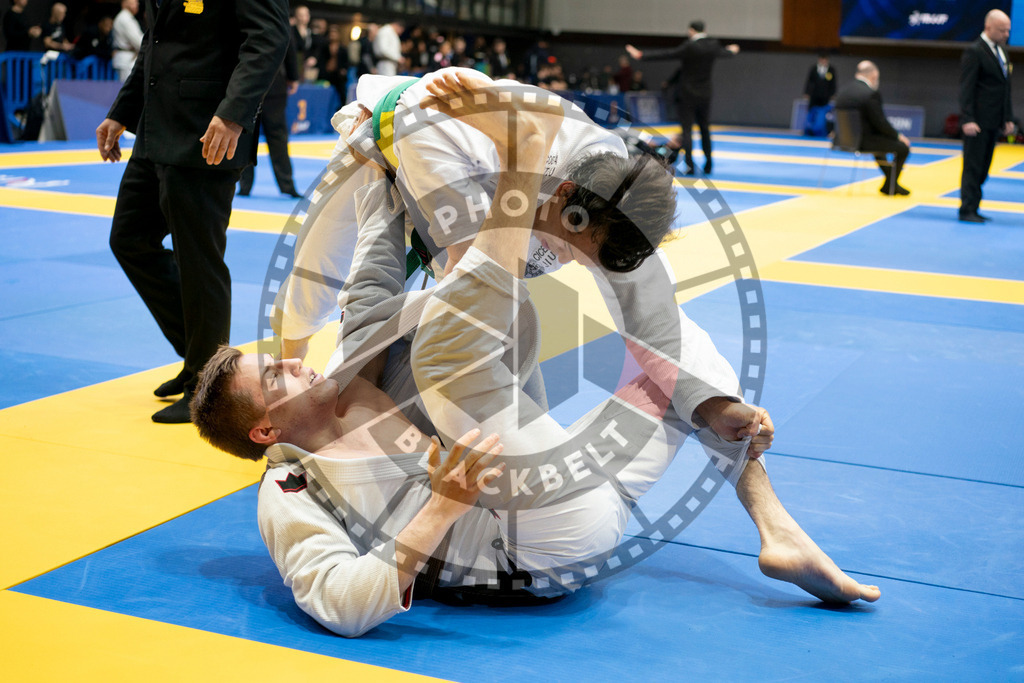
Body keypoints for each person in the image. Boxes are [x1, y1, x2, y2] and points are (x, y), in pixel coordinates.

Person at [190, 77, 879, 638]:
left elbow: (376, 235)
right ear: (264, 432)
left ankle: (777, 528)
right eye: (277, 374)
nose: (296, 362)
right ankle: (524, 161)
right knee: (451, 340)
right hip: (528, 544)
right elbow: (339, 602)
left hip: (588, 492)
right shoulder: (289, 495)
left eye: (281, 357)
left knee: (676, 343)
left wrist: (376, 136)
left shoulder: (354, 356)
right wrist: (440, 509)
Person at [95, 0, 289, 423]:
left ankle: (210, 382)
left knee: (199, 258)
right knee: (129, 239)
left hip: (210, 133)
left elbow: (268, 39)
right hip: (155, 129)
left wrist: (233, 115)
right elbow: (154, 45)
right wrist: (121, 113)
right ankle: (205, 360)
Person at [626, 20, 739, 176]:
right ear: (704, 30)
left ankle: (690, 166)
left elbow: (667, 54)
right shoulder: (713, 45)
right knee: (705, 128)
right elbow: (726, 52)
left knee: (687, 131)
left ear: (691, 31)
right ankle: (708, 164)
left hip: (687, 94)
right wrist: (732, 50)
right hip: (705, 94)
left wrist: (641, 55)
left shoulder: (689, 46)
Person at [958, 9, 1015, 224]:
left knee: (984, 167)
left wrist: (1007, 118)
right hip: (977, 121)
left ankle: (975, 205)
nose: (1006, 35)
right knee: (973, 166)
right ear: (988, 27)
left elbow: (1005, 89)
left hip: (994, 120)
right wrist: (967, 119)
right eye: (1002, 30)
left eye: (1008, 30)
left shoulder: (1002, 52)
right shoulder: (974, 51)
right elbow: (967, 89)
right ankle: (967, 209)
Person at [834, 60, 911, 196]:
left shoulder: (843, 92)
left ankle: (891, 183)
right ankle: (890, 185)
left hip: (842, 140)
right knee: (903, 148)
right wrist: (898, 136)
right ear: (874, 76)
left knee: (880, 149)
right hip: (862, 142)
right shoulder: (869, 94)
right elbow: (880, 123)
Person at [238, 34, 301, 199]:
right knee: (276, 137)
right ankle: (287, 185)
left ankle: (244, 185)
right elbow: (289, 48)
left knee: (247, 136)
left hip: (247, 85)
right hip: (272, 84)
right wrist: (293, 77)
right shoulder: (279, 17)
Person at [803, 53, 836, 137]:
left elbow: (833, 83)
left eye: (825, 60)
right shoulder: (813, 69)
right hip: (814, 95)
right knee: (811, 113)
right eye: (822, 59)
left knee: (824, 113)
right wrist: (807, 93)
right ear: (819, 60)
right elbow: (809, 82)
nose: (824, 61)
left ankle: (823, 131)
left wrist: (833, 94)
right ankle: (809, 130)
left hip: (825, 96)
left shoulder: (831, 70)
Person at [111, 0, 143, 82]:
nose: (137, 3)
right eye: (134, 1)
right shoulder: (125, 18)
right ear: (125, 3)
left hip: (127, 58)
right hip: (127, 60)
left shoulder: (127, 17)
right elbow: (139, 42)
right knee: (127, 91)